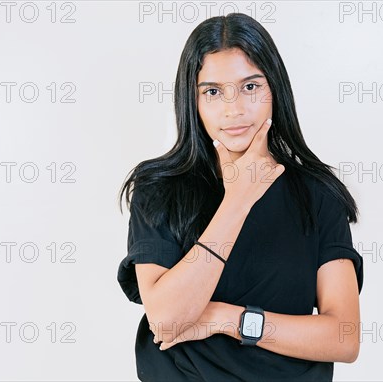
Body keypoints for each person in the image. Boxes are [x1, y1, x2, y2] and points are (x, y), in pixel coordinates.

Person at [117, 12, 364, 381]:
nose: (234, 109)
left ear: (274, 89)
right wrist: (238, 199)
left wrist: (228, 319)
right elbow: (167, 321)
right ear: (193, 101)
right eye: (213, 92)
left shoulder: (317, 194)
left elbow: (344, 338)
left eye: (250, 87)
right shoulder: (159, 187)